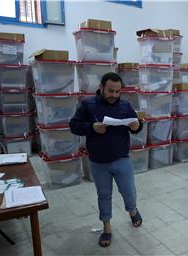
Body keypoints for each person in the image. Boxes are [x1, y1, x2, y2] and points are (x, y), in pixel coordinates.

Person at [69, 72, 143, 247]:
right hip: (98, 161)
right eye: (110, 91)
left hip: (121, 158)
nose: (114, 95)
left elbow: (136, 126)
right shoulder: (88, 105)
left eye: (118, 92)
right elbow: (74, 126)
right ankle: (107, 228)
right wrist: (92, 127)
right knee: (104, 195)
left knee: (129, 192)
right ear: (101, 87)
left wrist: (137, 125)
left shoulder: (125, 105)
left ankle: (132, 211)